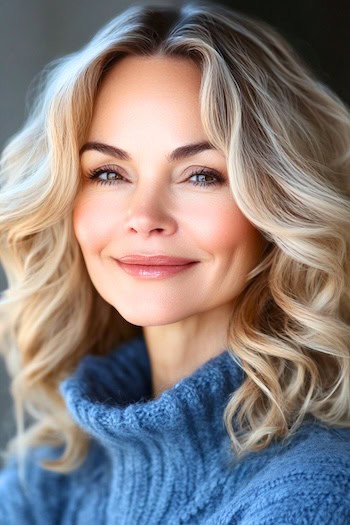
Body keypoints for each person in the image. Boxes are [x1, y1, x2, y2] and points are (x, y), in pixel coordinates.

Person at [0, 1, 350, 523]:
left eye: (201, 175)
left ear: (277, 202)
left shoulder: (312, 494)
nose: (145, 217)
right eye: (109, 173)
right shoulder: (47, 477)